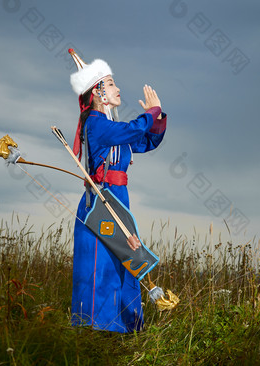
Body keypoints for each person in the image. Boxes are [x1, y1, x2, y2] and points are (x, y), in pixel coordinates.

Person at [69, 48, 167, 333]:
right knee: (100, 267)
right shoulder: (96, 124)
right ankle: (95, 329)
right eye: (111, 83)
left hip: (118, 200)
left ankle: (123, 327)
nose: (117, 88)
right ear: (97, 91)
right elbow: (133, 129)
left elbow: (146, 141)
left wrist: (157, 117)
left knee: (125, 261)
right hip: (100, 201)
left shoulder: (112, 127)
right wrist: (151, 113)